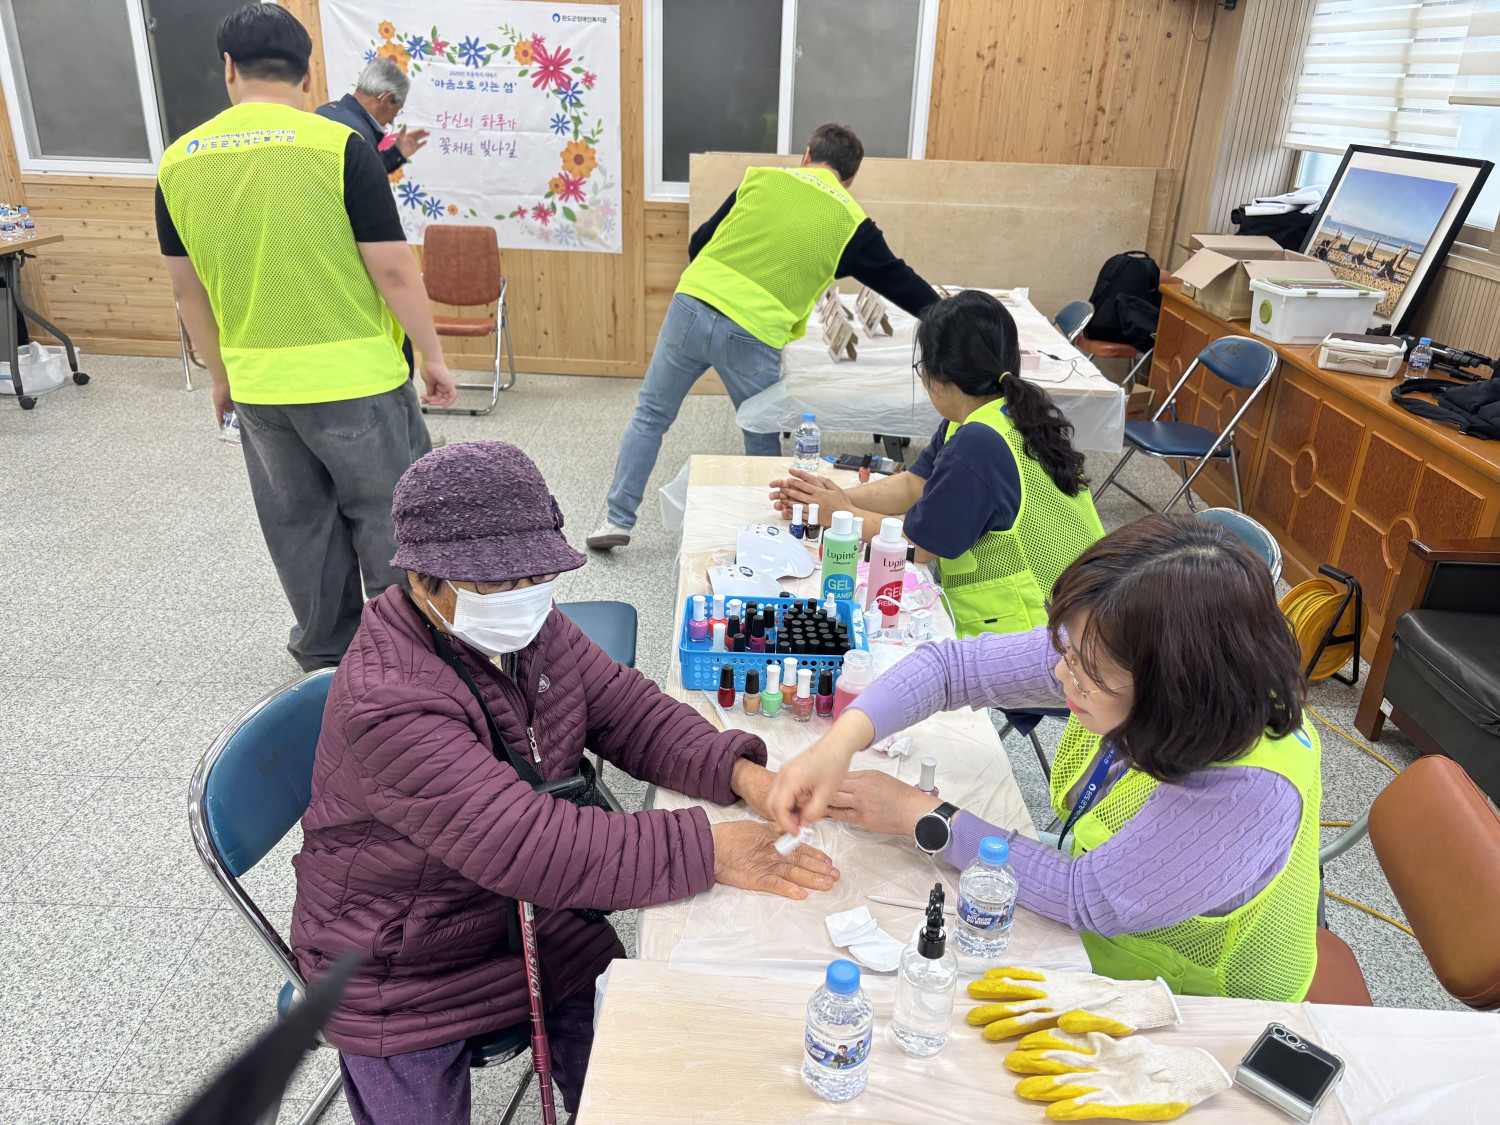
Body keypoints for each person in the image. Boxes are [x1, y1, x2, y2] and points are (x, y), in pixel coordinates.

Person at [291, 440, 838, 1123]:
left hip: (527, 916)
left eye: (537, 576)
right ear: (423, 581)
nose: (526, 598)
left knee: (640, 1084)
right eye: (499, 583)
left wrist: (740, 772)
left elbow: (627, 711)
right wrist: (709, 847)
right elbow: (525, 843)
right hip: (401, 961)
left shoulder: (531, 629)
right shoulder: (389, 697)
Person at [766, 515, 1323, 1003]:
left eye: (1086, 672)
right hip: (1110, 914)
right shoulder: (1120, 648)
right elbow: (952, 669)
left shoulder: (1246, 791)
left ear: (1171, 691)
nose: (1060, 674)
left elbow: (1085, 895)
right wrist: (840, 742)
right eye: (1067, 651)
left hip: (1198, 1000)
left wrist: (923, 816)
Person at [157, 4, 457, 670]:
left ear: (228, 68)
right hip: (358, 377)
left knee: (299, 526)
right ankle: (411, 656)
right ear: (308, 73)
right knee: (390, 516)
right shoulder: (338, 147)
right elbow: (392, 269)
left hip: (260, 386)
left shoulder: (178, 162)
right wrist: (432, 356)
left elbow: (187, 290)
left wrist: (219, 376)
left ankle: (327, 658)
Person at [588, 123, 940, 551]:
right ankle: (773, 537)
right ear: (850, 178)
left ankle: (616, 519)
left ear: (807, 155)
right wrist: (950, 317)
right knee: (760, 432)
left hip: (690, 306)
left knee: (650, 416)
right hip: (753, 334)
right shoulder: (850, 221)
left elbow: (700, 242)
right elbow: (900, 281)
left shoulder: (761, 178)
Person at [770, 290, 1104, 637]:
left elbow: (920, 546)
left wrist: (841, 514)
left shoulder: (979, 443)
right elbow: (914, 483)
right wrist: (833, 500)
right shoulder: (993, 414)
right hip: (1073, 606)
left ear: (938, 375)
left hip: (1043, 632)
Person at [316, 57, 429, 176]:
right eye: (397, 110)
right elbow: (367, 181)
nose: (391, 121)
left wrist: (397, 153)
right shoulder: (359, 135)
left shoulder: (323, 111)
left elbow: (360, 170)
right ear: (386, 99)